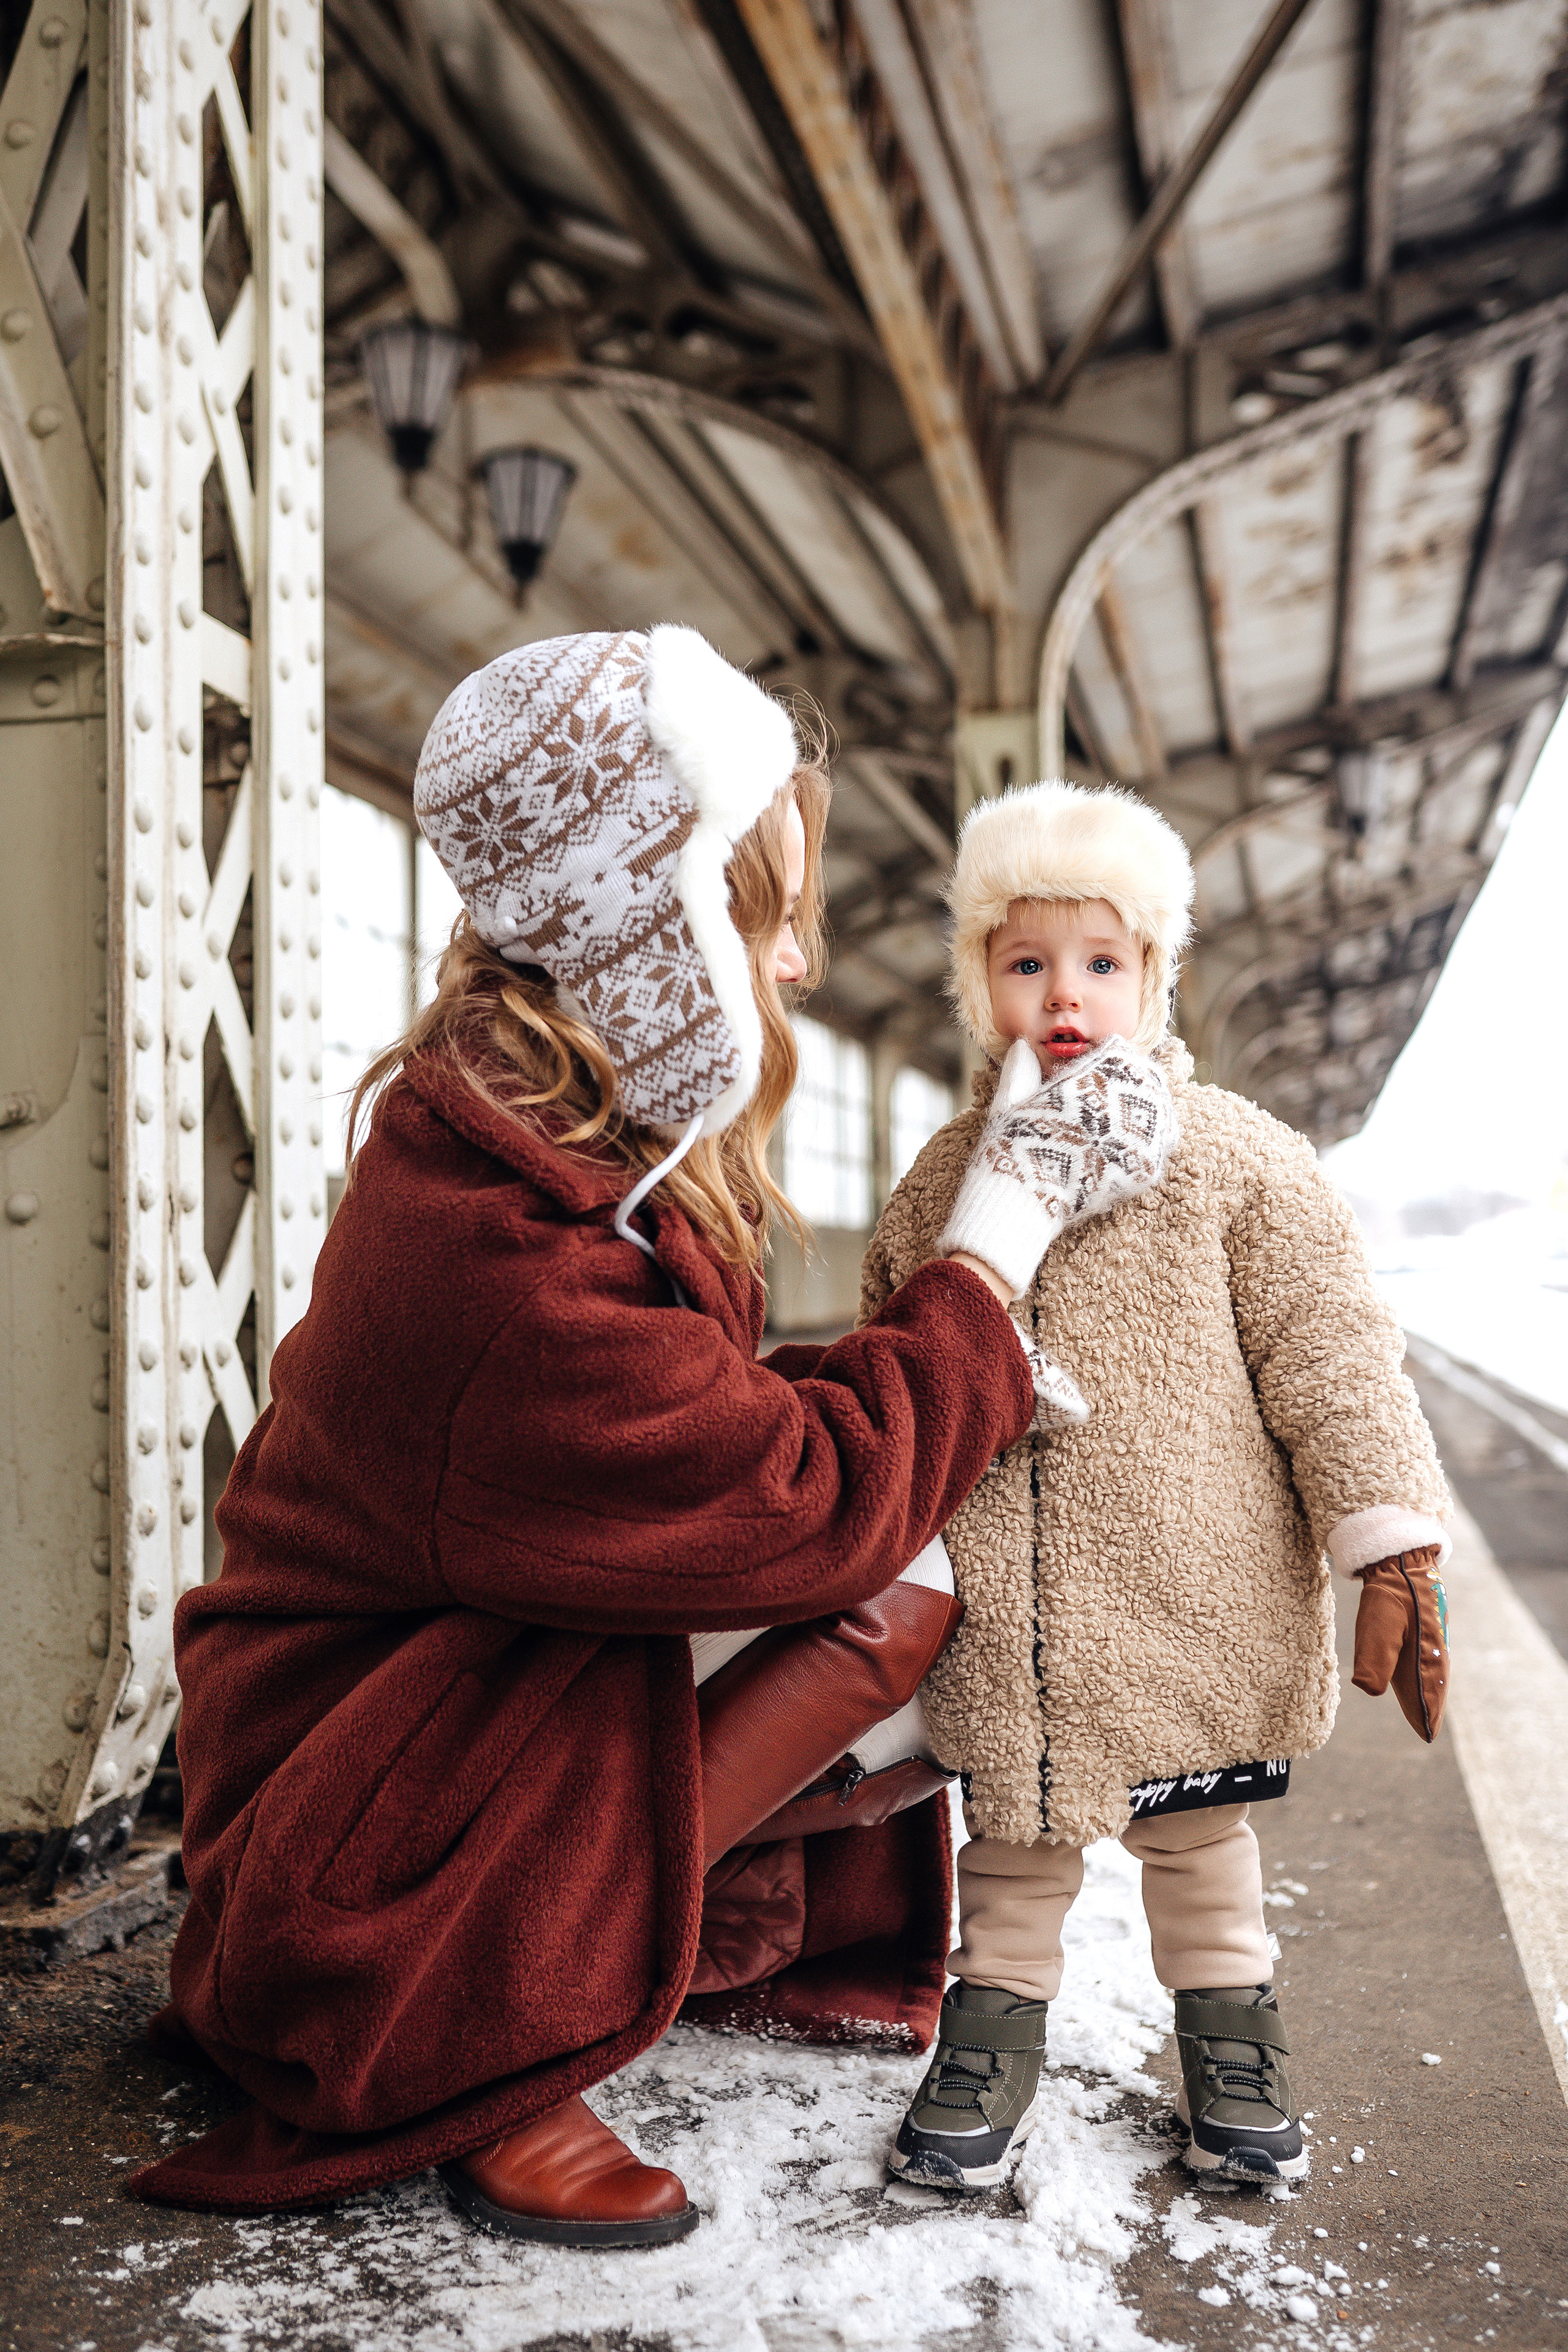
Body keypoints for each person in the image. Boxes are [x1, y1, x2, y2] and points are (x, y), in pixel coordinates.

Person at [128, 633, 1170, 2246]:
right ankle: (493, 2030)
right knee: (900, 1578)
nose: (800, 966)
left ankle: (612, 1938)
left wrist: (967, 1367)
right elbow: (796, 1499)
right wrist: (996, 1245)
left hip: (420, 1723)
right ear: (648, 924)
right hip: (345, 1868)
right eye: (766, 915)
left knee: (946, 1523)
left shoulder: (539, 1136)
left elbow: (695, 1438)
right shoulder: (506, 1256)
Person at [859, 779, 1452, 2192]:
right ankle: (990, 2036)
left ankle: (1230, 2043)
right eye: (1023, 962)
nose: (1062, 995)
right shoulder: (943, 1175)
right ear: (978, 982)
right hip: (1018, 1612)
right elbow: (895, 1353)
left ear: (1153, 975)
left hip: (1196, 1592)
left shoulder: (1239, 1160)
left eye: (1100, 962)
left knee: (1197, 1846)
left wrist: (1386, 1541)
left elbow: (1331, 1357)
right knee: (1011, 1847)